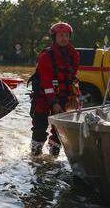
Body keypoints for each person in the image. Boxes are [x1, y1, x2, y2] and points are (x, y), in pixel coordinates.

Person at [30, 22, 80, 157]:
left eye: (66, 35)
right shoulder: (46, 56)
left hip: (63, 97)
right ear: (54, 37)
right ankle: (35, 156)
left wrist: (75, 96)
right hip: (43, 98)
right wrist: (53, 103)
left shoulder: (73, 54)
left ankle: (53, 156)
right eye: (61, 35)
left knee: (59, 131)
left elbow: (74, 77)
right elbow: (46, 83)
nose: (64, 38)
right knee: (40, 127)